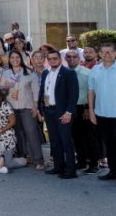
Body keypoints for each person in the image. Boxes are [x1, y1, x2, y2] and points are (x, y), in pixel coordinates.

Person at [38, 49, 78, 179]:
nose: (52, 61)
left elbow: (74, 94)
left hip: (62, 112)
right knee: (54, 141)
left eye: (55, 58)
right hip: (49, 111)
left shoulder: (68, 73)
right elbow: (43, 91)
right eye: (49, 59)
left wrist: (69, 112)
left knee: (66, 141)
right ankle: (58, 166)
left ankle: (71, 170)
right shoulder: (45, 73)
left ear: (60, 59)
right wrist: (41, 109)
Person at [0, 49, 43, 170]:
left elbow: (36, 91)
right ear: (9, 60)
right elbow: (2, 91)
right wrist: (8, 89)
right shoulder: (6, 73)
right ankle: (24, 157)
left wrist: (36, 106)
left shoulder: (29, 72)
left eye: (17, 57)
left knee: (31, 133)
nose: (15, 60)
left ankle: (38, 160)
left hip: (27, 107)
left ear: (21, 59)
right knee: (18, 134)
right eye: (12, 58)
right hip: (12, 108)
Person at [65, 50, 100, 174]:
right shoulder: (65, 73)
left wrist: (88, 108)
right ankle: (81, 161)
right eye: (68, 57)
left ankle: (94, 163)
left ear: (79, 58)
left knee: (90, 137)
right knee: (76, 137)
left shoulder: (87, 73)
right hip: (71, 109)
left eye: (74, 56)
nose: (71, 59)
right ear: (66, 59)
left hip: (84, 108)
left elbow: (93, 92)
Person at [87, 41, 116, 181]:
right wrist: (91, 111)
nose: (107, 54)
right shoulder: (95, 70)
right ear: (100, 54)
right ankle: (113, 171)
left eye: (110, 51)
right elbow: (91, 91)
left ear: (115, 53)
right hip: (101, 114)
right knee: (109, 144)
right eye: (104, 52)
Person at [0, 84, 27, 169]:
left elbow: (12, 121)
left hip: (6, 138)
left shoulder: (4, 104)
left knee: (8, 164)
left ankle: (23, 160)